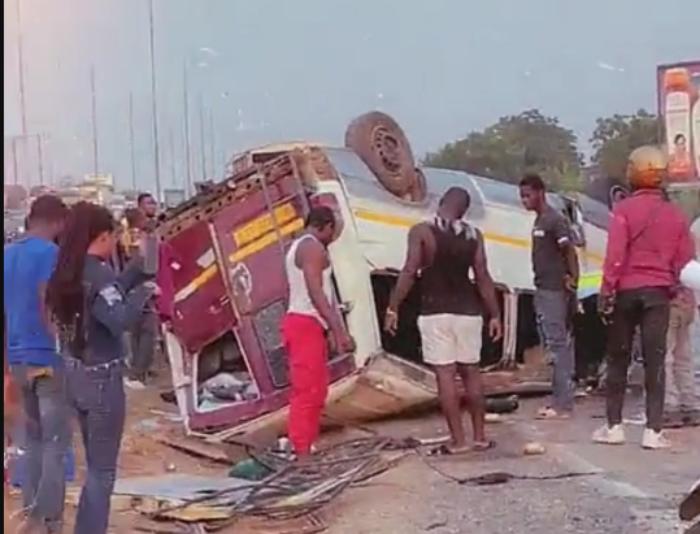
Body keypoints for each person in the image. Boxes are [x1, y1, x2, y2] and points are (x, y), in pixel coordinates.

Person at [46, 202, 155, 534]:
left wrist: (135, 271)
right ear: (102, 236)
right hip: (101, 379)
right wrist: (145, 294)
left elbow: (103, 300)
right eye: (113, 237)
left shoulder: (67, 270)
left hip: (73, 371)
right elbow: (118, 318)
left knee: (91, 466)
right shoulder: (100, 273)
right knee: (101, 471)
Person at [384, 187, 503, 453]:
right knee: (472, 374)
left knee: (446, 376)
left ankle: (458, 441)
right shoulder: (474, 236)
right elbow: (483, 276)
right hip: (469, 312)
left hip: (435, 312)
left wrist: (393, 306)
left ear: (441, 202)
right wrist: (495, 314)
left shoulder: (422, 231)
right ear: (464, 210)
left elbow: (409, 270)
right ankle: (481, 437)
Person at [593, 145, 694, 449]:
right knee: (656, 361)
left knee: (618, 359)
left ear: (634, 172)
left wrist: (606, 289)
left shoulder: (623, 211)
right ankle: (653, 431)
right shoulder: (675, 215)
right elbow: (684, 259)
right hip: (658, 295)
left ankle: (614, 427)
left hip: (626, 292)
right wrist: (679, 289)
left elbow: (615, 256)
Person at [4, 195, 70, 534]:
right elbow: (47, 300)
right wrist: (59, 341)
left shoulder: (7, 254)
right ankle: (50, 523)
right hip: (46, 358)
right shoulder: (51, 254)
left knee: (29, 442)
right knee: (54, 444)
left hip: (16, 359)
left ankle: (30, 515)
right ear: (57, 221)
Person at [281, 206, 354, 460]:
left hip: (308, 324)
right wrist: (339, 330)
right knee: (307, 391)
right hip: (305, 324)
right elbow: (316, 292)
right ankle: (301, 453)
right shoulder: (312, 248)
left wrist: (331, 329)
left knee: (316, 390)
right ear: (326, 227)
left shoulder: (302, 245)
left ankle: (305, 446)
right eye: (334, 232)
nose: (334, 238)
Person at [519, 174, 579, 420]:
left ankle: (562, 403)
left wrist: (573, 279)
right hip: (543, 288)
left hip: (554, 290)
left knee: (558, 346)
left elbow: (569, 251)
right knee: (555, 344)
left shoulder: (554, 221)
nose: (524, 201)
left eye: (527, 195)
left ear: (540, 193)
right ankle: (561, 397)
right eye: (522, 196)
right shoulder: (540, 221)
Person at [121, 208, 158, 389]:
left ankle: (137, 371)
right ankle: (138, 373)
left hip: (135, 293)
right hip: (142, 293)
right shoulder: (141, 241)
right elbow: (147, 267)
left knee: (139, 334)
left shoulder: (129, 238)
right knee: (146, 333)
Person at [664, 287, 697, 425]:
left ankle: (668, 405)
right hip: (688, 302)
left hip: (666, 302)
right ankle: (689, 403)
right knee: (683, 355)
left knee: (663, 357)